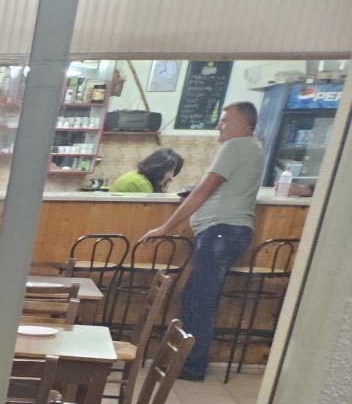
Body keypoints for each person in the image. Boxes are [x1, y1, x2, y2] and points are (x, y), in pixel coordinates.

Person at [139, 102, 265, 381]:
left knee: (199, 300)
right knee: (194, 297)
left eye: (226, 119)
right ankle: (186, 362)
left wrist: (165, 227)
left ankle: (192, 366)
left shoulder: (235, 146)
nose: (220, 124)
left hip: (220, 231)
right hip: (228, 232)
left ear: (243, 123)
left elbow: (203, 191)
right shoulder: (253, 147)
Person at [108, 146, 183, 193]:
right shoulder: (140, 183)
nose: (171, 177)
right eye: (169, 170)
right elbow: (152, 211)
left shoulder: (137, 177)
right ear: (157, 169)